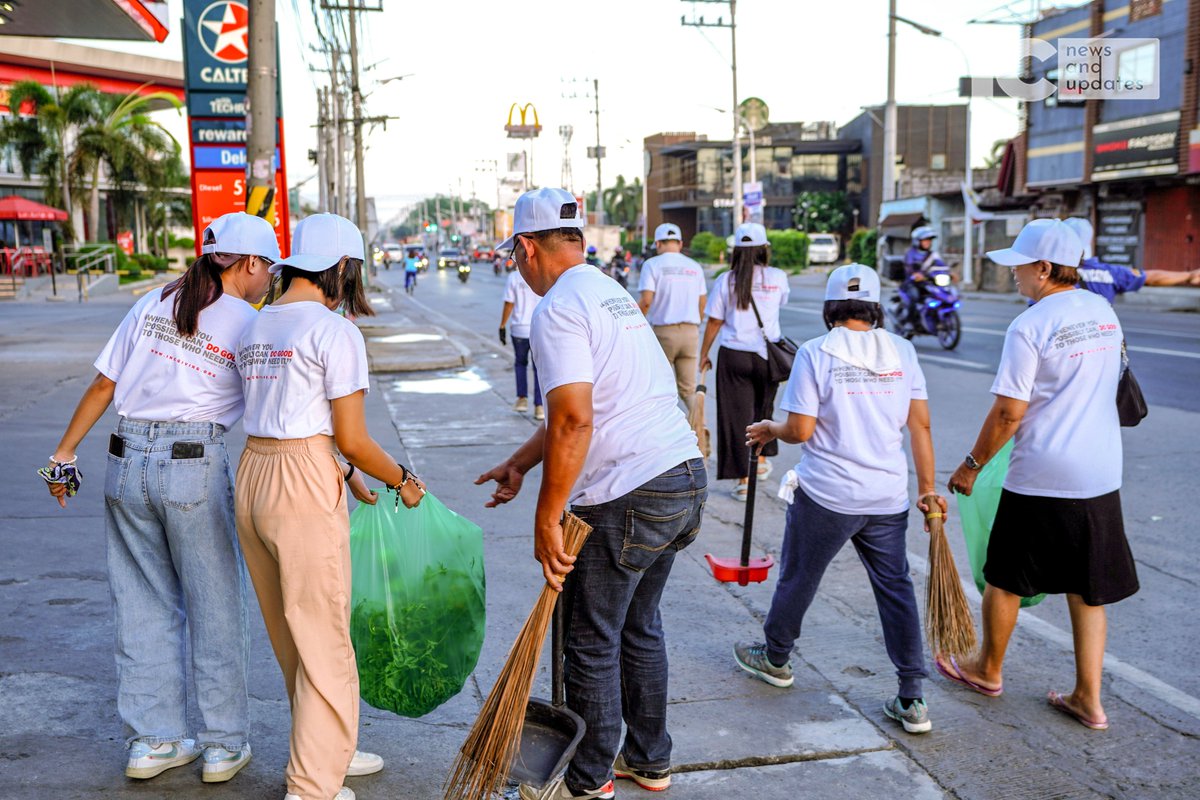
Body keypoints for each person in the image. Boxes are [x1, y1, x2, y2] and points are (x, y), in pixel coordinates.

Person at [476, 188, 706, 800]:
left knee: (590, 637)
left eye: (513, 257)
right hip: (682, 476)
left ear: (527, 247)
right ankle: (649, 760)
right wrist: (522, 464)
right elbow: (575, 414)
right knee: (639, 627)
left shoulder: (556, 309)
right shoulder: (611, 292)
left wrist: (547, 517)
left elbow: (575, 420)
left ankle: (587, 778)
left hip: (631, 492)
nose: (516, 269)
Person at [40, 213, 278, 783]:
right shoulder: (250, 324)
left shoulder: (153, 301)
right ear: (249, 263)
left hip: (124, 463)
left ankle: (154, 742)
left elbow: (105, 384)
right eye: (268, 265)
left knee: (141, 603)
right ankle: (222, 745)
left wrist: (64, 456)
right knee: (216, 606)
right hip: (192, 465)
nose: (270, 277)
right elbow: (273, 408)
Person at [234, 213, 427, 800]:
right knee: (323, 633)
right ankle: (313, 786)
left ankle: (327, 749)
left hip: (253, 478)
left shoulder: (257, 324)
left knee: (291, 632)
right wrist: (402, 479)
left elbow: (295, 421)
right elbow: (354, 438)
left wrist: (342, 472)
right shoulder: (334, 332)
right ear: (342, 267)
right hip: (302, 487)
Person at [734, 263, 945, 735]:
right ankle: (912, 697)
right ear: (874, 308)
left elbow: (801, 430)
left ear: (831, 307)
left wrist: (771, 428)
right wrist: (928, 488)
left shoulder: (816, 352)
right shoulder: (902, 350)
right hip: (887, 496)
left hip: (828, 494)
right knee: (895, 590)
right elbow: (921, 426)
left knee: (800, 576)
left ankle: (776, 658)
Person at [944, 219, 1137, 732]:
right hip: (1100, 472)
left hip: (1043, 474)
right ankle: (1089, 700)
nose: (1015, 276)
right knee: (1087, 588)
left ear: (1044, 269)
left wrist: (971, 466)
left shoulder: (1029, 324)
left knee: (1005, 578)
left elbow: (1010, 413)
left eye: (1020, 267)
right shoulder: (1103, 312)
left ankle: (987, 669)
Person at [699, 222, 789, 500]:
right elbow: (780, 304)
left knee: (737, 418)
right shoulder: (778, 277)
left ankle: (743, 479)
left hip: (734, 355)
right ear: (765, 249)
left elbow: (714, 320)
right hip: (768, 356)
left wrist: (704, 354)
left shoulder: (727, 280)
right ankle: (760, 462)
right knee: (763, 411)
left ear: (736, 251)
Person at [638, 222, 708, 410]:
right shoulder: (694, 267)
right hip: (690, 333)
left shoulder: (652, 265)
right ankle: (701, 432)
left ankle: (668, 434)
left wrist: (636, 325)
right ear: (680, 243)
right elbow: (702, 302)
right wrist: (695, 324)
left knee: (661, 389)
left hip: (664, 334)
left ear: (658, 244)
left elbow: (646, 301)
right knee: (688, 390)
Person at [500, 265, 544, 420]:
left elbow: (509, 303)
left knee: (520, 363)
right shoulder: (542, 273)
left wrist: (502, 325)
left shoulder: (514, 277)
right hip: (539, 328)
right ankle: (539, 406)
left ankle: (522, 399)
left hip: (519, 329)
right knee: (539, 368)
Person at [900, 226, 945, 329]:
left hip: (928, 282)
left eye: (929, 240)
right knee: (914, 297)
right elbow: (909, 267)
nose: (928, 242)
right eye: (925, 240)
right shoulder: (911, 253)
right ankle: (909, 322)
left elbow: (941, 264)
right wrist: (915, 274)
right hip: (911, 283)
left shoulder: (933, 254)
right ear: (917, 241)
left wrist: (950, 273)